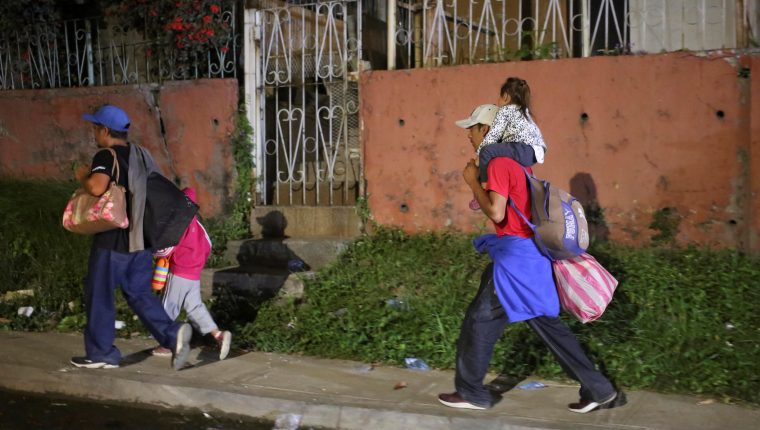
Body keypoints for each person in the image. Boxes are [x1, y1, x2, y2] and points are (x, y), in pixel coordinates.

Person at [437, 104, 620, 413]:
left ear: (489, 130)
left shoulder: (497, 163)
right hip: (524, 257)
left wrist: (471, 181)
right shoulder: (518, 163)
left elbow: (496, 211)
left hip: (515, 261)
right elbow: (509, 205)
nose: (469, 133)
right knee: (534, 324)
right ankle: (598, 388)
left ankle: (472, 392)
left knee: (482, 321)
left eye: (474, 127)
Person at [72, 104, 192, 371]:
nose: (94, 133)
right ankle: (173, 335)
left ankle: (101, 353)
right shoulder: (142, 154)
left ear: (104, 130)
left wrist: (83, 176)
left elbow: (96, 186)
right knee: (139, 294)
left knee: (99, 295)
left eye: (95, 128)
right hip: (141, 241)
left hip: (113, 241)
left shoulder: (106, 154)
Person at [151, 187, 232, 360]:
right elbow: (208, 245)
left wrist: (153, 252)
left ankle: (167, 344)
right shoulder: (197, 224)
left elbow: (166, 249)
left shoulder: (178, 224)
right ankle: (218, 335)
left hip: (179, 272)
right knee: (195, 307)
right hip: (194, 273)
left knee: (168, 307)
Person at [466, 77, 545, 210]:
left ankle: (484, 189)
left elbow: (494, 134)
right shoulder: (524, 111)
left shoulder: (506, 110)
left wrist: (479, 158)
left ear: (506, 97)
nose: (498, 101)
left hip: (521, 147)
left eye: (500, 97)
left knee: (487, 150)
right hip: (534, 152)